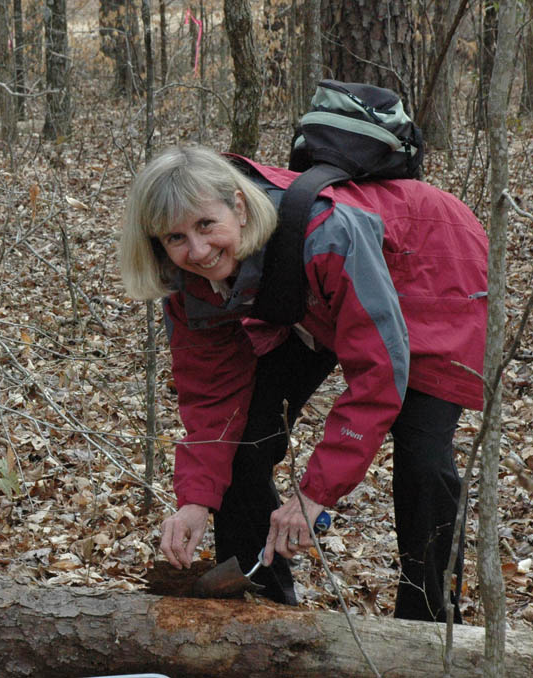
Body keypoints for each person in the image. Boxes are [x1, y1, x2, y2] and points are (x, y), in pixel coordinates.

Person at [119, 145, 487, 622]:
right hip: (312, 296)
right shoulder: (187, 279)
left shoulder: (324, 235)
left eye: (206, 225)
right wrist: (195, 500)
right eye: (175, 237)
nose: (198, 251)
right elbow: (212, 396)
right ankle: (259, 610)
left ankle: (429, 626)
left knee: (422, 454)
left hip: (431, 262)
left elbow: (376, 373)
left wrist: (315, 494)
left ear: (238, 204)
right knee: (246, 443)